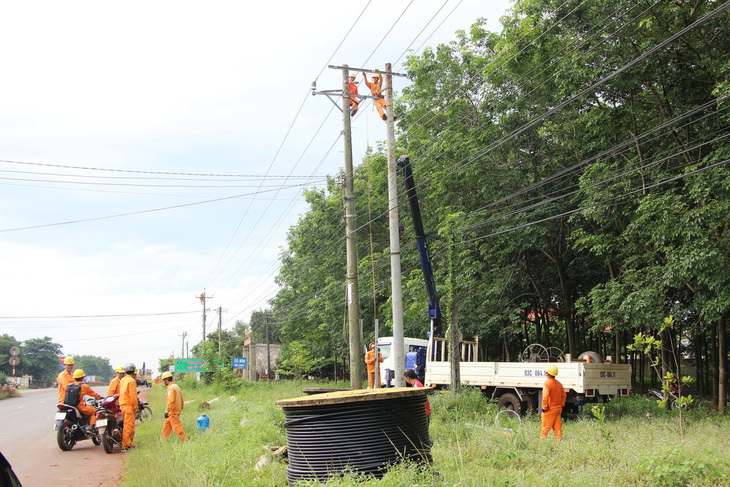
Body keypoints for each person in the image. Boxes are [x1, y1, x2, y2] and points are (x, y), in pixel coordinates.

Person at [540, 364, 566, 441]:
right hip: (558, 409)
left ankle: (542, 444)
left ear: (547, 373)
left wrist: (544, 407)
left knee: (545, 428)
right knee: (557, 428)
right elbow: (564, 395)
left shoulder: (547, 383)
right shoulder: (559, 384)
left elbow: (545, 396)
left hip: (550, 410)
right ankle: (558, 443)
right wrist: (561, 404)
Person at [160, 372, 188, 442]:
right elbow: (182, 400)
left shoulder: (170, 388)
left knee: (177, 427)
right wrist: (180, 408)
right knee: (166, 427)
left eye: (164, 381)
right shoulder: (176, 386)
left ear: (166, 380)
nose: (164, 382)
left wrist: (167, 411)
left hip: (172, 412)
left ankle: (185, 441)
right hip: (175, 411)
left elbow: (171, 401)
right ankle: (163, 441)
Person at [119, 363, 139, 451]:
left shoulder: (123, 380)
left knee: (126, 425)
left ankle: (129, 443)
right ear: (133, 371)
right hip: (129, 406)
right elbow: (133, 396)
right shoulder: (132, 381)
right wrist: (136, 406)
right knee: (129, 426)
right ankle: (126, 445)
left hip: (123, 405)